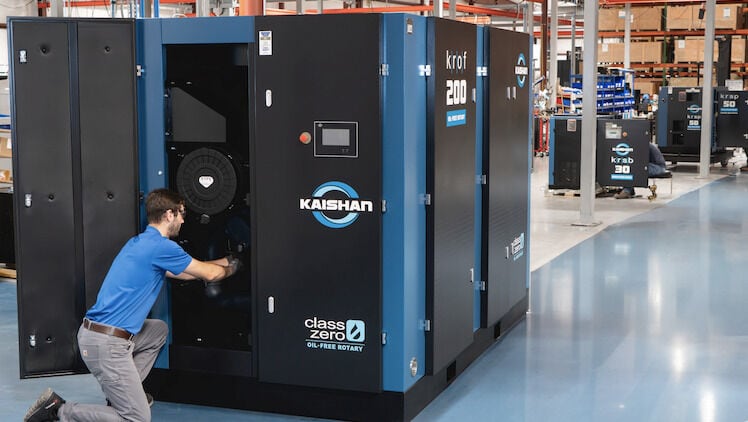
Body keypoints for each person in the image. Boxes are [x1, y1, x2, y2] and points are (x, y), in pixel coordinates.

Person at [23, 188, 242, 422]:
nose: (183, 220)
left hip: (98, 335)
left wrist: (227, 260)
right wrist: (235, 268)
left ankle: (124, 395)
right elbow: (210, 274)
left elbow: (188, 273)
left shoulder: (140, 243)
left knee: (158, 330)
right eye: (181, 214)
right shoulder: (162, 247)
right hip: (106, 344)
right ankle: (57, 410)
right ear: (169, 214)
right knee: (136, 418)